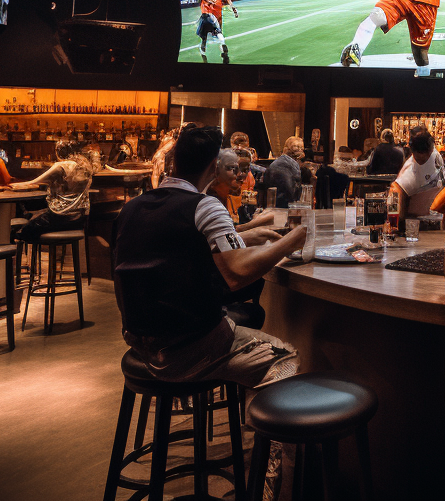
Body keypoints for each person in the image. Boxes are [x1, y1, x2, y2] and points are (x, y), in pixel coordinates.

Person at [112, 131, 303, 496]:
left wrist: (246, 236)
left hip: (139, 344)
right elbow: (237, 274)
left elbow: (179, 250)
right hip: (190, 349)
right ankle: (270, 485)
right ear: (214, 166)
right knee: (286, 360)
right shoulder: (204, 205)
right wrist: (289, 241)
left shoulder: (133, 207)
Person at [10, 138, 95, 242]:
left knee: (23, 231)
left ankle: (26, 254)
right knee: (33, 215)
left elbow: (35, 182)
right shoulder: (86, 166)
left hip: (60, 217)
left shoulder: (62, 166)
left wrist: (11, 185)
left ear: (59, 151)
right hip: (80, 219)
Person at [394, 128, 445, 219]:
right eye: (421, 157)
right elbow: (395, 189)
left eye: (428, 154)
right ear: (413, 152)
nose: (425, 158)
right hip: (420, 223)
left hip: (439, 217)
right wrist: (398, 222)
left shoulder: (434, 153)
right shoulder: (410, 173)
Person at [196, 0, 238, 64]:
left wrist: (204, 1)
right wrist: (234, 10)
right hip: (215, 15)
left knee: (204, 38)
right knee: (219, 34)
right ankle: (224, 55)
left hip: (207, 14)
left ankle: (204, 56)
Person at [263, 135, 309, 208]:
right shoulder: (292, 166)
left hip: (270, 205)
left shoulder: (275, 164)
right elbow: (293, 193)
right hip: (285, 207)